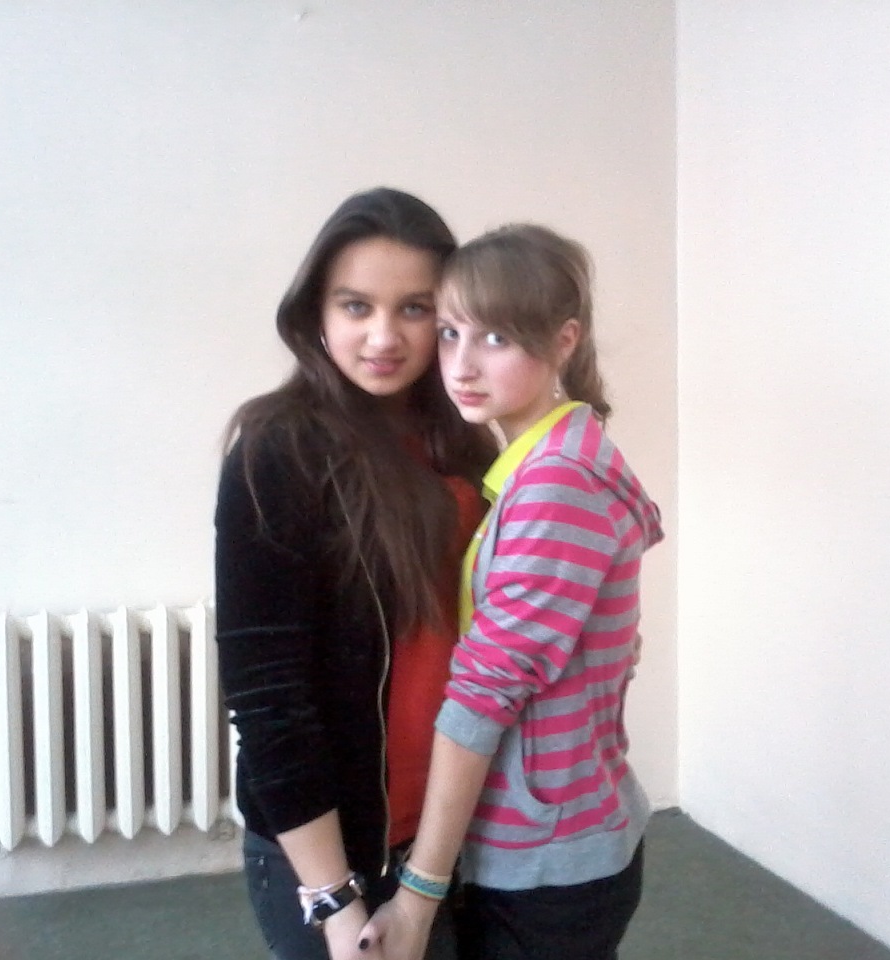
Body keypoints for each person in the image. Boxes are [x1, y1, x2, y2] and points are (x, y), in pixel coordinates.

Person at [361, 224, 664, 960]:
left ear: (564, 341)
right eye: (451, 332)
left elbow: (486, 689)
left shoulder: (557, 481)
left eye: (495, 337)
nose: (461, 365)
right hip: (558, 829)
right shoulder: (548, 460)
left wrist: (419, 892)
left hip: (548, 860)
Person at [214, 188, 496, 960]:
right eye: (356, 306)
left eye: (414, 309)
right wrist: (335, 901)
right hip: (336, 852)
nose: (384, 336)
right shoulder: (279, 449)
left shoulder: (468, 441)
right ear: (317, 311)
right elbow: (266, 694)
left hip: (455, 831)